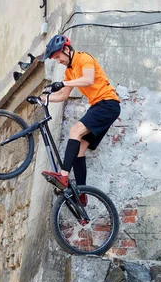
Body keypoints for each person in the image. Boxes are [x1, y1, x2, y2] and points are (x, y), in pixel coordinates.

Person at [41, 34, 120, 195]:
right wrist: (43, 98)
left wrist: (62, 83)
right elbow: (63, 95)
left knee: (74, 130)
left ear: (67, 50)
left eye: (58, 57)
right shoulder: (69, 72)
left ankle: (63, 176)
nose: (58, 61)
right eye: (55, 59)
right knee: (79, 148)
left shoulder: (84, 58)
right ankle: (82, 193)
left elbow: (88, 79)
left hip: (107, 104)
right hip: (98, 106)